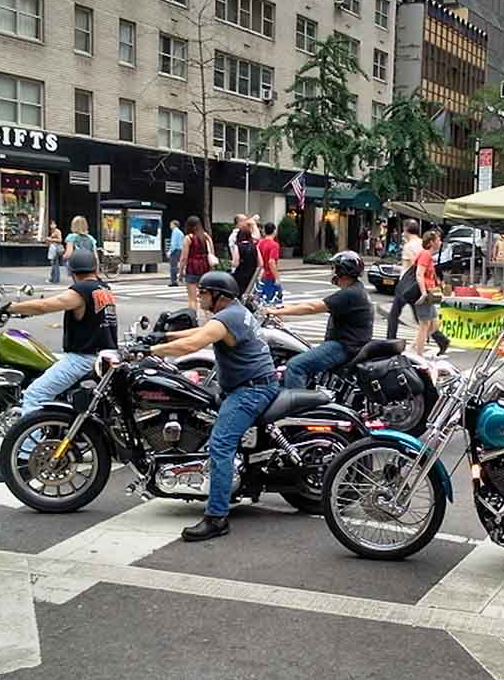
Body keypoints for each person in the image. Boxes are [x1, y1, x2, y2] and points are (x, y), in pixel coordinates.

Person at [148, 272, 278, 542]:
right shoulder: (233, 313)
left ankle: (217, 517)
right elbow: (201, 331)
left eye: (204, 292)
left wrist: (150, 352)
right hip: (248, 385)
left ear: (220, 296)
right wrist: (163, 336)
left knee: (220, 444)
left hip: (251, 390)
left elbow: (194, 343)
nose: (199, 296)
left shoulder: (229, 317)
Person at [6, 249, 118, 416]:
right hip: (104, 356)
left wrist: (10, 308)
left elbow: (44, 306)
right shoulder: (103, 289)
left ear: (71, 271)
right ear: (95, 268)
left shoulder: (82, 290)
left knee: (34, 395)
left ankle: (32, 434)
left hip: (83, 358)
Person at [268, 251, 374, 388]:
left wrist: (275, 311)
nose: (333, 271)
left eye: (335, 268)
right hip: (350, 345)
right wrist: (280, 307)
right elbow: (312, 304)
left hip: (344, 347)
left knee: (295, 366)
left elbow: (311, 308)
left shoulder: (350, 294)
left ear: (342, 271)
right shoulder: (356, 289)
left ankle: (297, 400)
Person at [386, 220, 423, 340]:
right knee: (418, 314)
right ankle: (440, 338)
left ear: (407, 230)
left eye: (403, 230)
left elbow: (415, 263)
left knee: (393, 314)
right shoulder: (422, 243)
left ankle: (390, 339)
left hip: (406, 283)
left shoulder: (409, 246)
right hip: (416, 283)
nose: (403, 233)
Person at [413, 230, 443, 357]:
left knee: (434, 324)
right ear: (431, 242)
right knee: (424, 325)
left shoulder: (428, 255)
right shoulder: (425, 254)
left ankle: (413, 347)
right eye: (438, 240)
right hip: (424, 294)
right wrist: (423, 292)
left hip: (429, 294)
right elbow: (419, 274)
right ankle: (419, 354)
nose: (440, 242)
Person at [179, 215, 216, 311]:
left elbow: (184, 257)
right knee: (206, 297)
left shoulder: (188, 238)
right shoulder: (206, 236)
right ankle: (208, 317)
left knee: (192, 298)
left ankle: (193, 316)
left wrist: (181, 272)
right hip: (205, 267)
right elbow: (212, 253)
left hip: (192, 267)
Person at [230, 222, 263, 296]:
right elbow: (261, 263)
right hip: (251, 274)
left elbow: (236, 263)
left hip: (240, 275)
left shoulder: (238, 246)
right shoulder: (255, 247)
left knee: (239, 294)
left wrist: (230, 263)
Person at [256, 222, 282, 304]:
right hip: (270, 275)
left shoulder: (260, 243)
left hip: (260, 274)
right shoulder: (274, 245)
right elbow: (271, 261)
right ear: (274, 231)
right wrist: (277, 277)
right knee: (274, 300)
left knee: (261, 300)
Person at [168, 219, 184, 287]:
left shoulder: (175, 232)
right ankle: (179, 278)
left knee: (173, 266)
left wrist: (170, 251)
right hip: (180, 250)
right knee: (178, 265)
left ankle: (174, 281)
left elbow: (173, 243)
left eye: (171, 224)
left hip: (175, 250)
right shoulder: (180, 232)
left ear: (174, 225)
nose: (170, 226)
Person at [46, 220, 63, 284]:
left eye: (53, 224)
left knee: (54, 263)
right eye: (51, 224)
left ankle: (54, 279)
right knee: (54, 263)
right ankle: (54, 278)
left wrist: (50, 239)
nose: (52, 226)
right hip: (53, 248)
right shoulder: (52, 231)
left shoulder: (57, 231)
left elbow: (60, 240)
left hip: (55, 248)